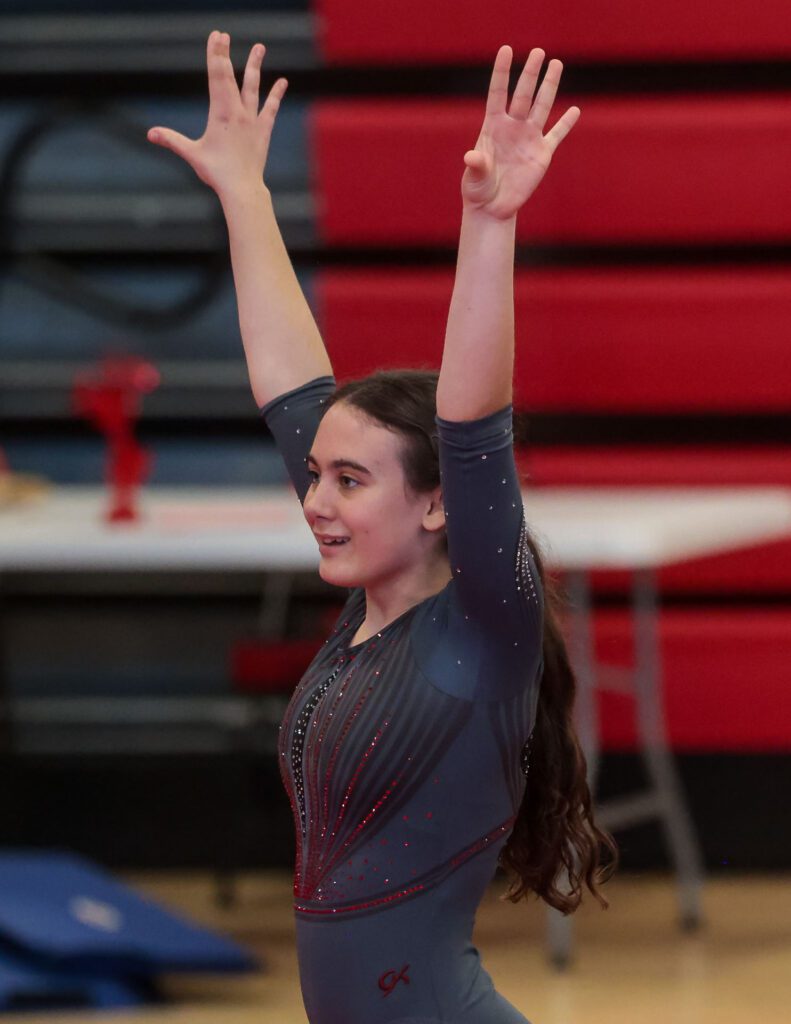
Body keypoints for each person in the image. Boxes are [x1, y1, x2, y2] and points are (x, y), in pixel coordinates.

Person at [149, 31, 617, 1024]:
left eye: (348, 479)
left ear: (438, 501)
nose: (314, 499)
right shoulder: (369, 611)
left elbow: (471, 427)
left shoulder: (485, 623)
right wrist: (244, 194)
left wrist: (487, 228)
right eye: (314, 475)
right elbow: (289, 386)